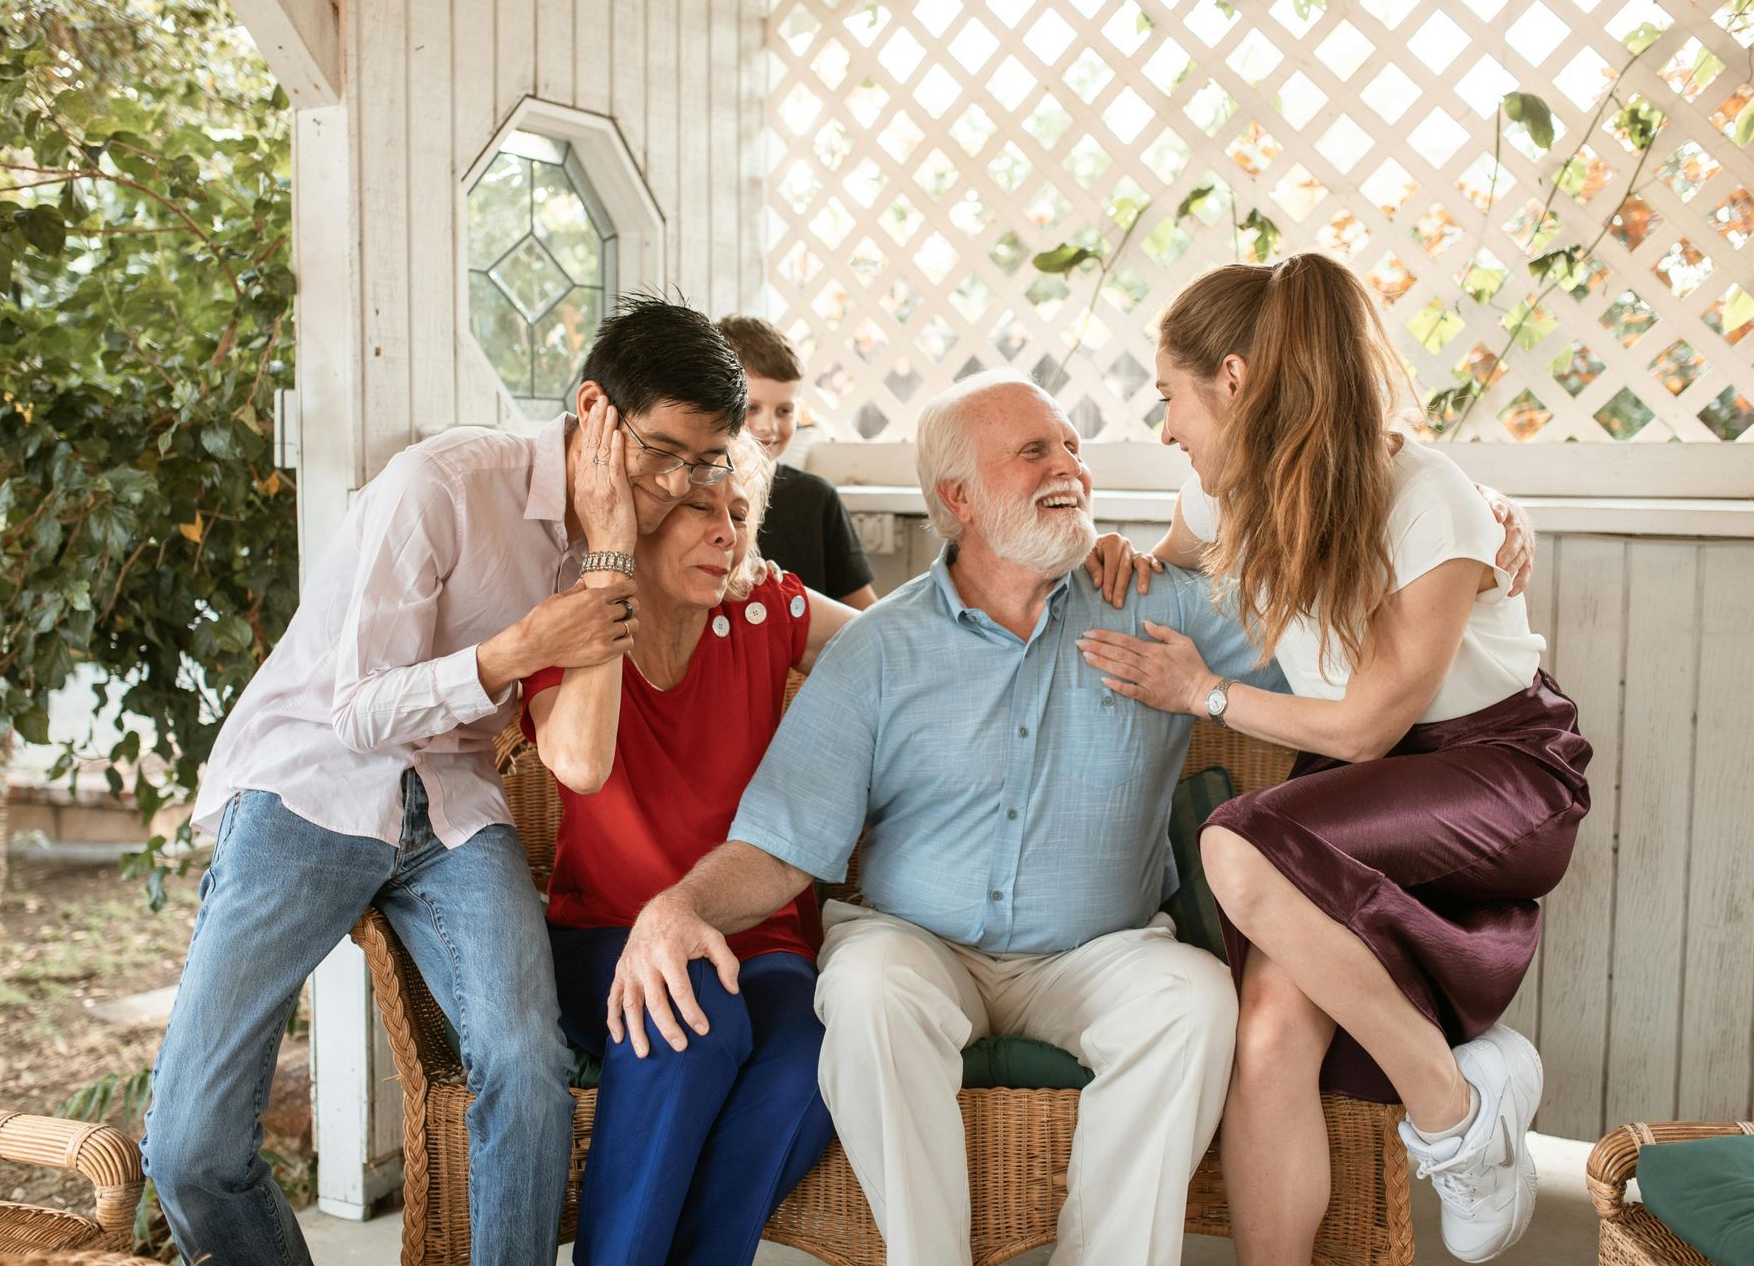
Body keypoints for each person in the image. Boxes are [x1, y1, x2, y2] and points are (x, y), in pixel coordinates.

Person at [606, 370, 1295, 1266]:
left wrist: (1463, 530)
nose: (1070, 468)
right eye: (1036, 450)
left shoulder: (1156, 604)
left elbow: (1332, 631)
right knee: (863, 989)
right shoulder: (880, 649)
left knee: (1195, 1002)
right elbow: (780, 847)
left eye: (1073, 449)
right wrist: (681, 907)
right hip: (918, 944)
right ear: (959, 497)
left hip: (1101, 951)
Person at [140, 296, 749, 1266]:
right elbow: (356, 710)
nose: (679, 484)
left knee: (525, 1062)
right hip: (314, 783)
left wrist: (606, 548)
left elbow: (600, 734)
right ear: (594, 407)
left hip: (457, 805)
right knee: (190, 1146)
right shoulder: (446, 483)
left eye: (704, 462)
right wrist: (511, 651)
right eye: (662, 452)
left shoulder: (638, 529)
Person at [1077, 253, 1591, 1265]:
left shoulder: (1429, 499)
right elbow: (1162, 556)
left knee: (1235, 847)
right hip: (1355, 801)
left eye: (1171, 397)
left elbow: (1365, 726)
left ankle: (1454, 1107)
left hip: (1497, 779)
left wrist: (1206, 691)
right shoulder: (1226, 498)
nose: (1167, 426)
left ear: (1232, 380)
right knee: (1267, 1024)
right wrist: (1111, 554)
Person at [521, 430, 856, 1265]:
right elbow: (582, 765)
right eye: (700, 509)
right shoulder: (568, 622)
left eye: (740, 513)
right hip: (605, 933)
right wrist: (612, 586)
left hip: (759, 933)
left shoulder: (765, 609)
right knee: (690, 1019)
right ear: (643, 516)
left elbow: (904, 647)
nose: (727, 532)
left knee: (813, 1054)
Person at [716, 314, 877, 607]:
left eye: (784, 410)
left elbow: (863, 611)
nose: (769, 427)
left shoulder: (817, 499)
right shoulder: (694, 496)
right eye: (751, 408)